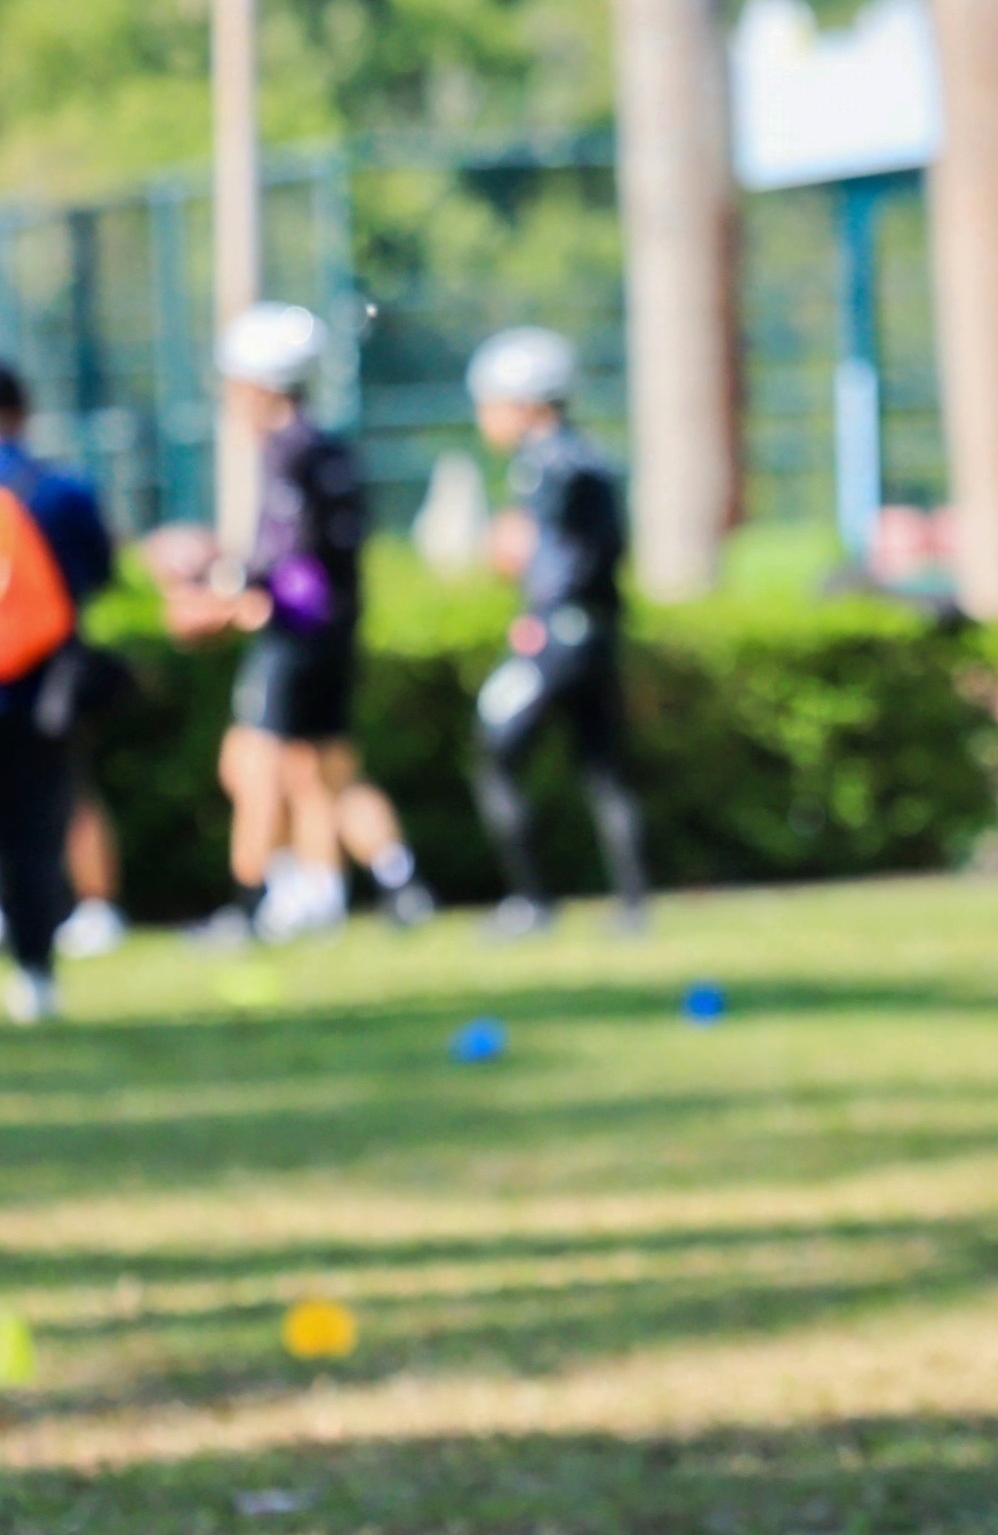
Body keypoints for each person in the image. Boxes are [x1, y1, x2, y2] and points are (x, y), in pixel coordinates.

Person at [162, 303, 434, 942]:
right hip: (332, 637)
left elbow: (295, 569)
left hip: (299, 640)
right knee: (327, 769)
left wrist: (231, 599)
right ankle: (394, 882)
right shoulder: (328, 448)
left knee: (250, 763)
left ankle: (250, 904)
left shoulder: (289, 452)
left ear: (259, 383)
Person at [462, 327, 647, 939]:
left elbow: (543, 556)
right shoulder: (592, 454)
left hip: (555, 638)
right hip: (598, 634)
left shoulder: (541, 465)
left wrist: (532, 602)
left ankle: (532, 901)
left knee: (495, 754)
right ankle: (633, 906)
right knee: (604, 770)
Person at [0, 362, 116, 1021]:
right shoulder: (60, 490)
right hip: (40, 693)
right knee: (36, 836)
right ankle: (37, 977)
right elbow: (97, 573)